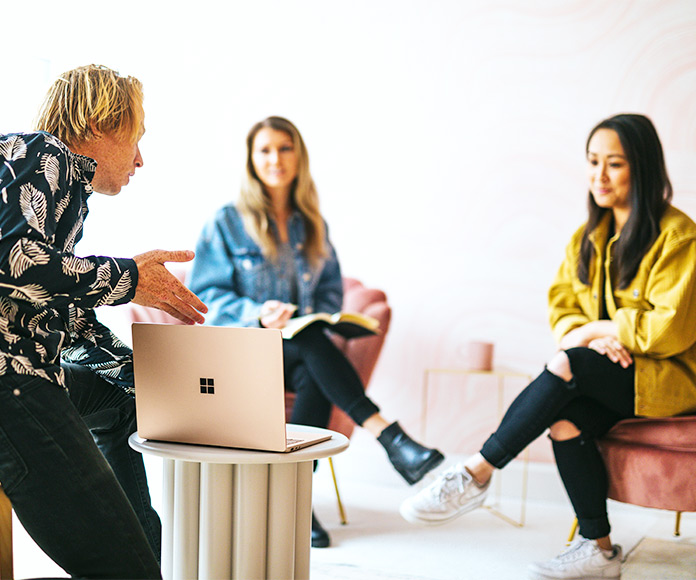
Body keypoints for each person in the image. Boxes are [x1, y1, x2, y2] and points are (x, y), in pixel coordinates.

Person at [399, 113, 696, 579]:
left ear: (641, 168)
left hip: (667, 381)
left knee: (567, 364)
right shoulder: (586, 239)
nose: (599, 175)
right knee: (563, 418)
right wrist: (591, 336)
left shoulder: (678, 235)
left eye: (614, 164)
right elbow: (562, 311)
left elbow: (668, 329)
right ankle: (599, 550)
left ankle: (476, 472)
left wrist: (595, 331)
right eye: (593, 161)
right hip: (613, 375)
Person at [188, 115, 444, 548]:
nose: (275, 159)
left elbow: (328, 296)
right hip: (245, 353)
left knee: (311, 350)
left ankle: (292, 501)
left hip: (295, 356)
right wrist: (259, 314)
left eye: (284, 148)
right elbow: (205, 296)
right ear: (251, 159)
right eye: (265, 150)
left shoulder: (313, 225)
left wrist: (318, 317)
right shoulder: (227, 222)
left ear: (298, 156)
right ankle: (388, 437)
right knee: (310, 346)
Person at [0, 64, 207, 579]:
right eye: (135, 138)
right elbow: (10, 261)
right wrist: (127, 277)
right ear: (97, 125)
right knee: (123, 570)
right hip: (13, 386)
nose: (140, 158)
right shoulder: (40, 154)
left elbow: (52, 302)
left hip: (32, 374)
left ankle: (145, 549)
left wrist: (142, 374)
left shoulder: (66, 187)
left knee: (123, 398)